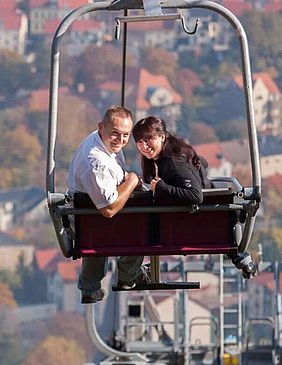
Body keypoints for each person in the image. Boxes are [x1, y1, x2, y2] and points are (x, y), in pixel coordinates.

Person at [130, 116, 257, 278]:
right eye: (139, 141)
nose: (144, 146)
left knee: (137, 223)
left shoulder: (172, 163)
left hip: (189, 225)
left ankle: (130, 272)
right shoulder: (174, 155)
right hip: (208, 222)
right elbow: (202, 163)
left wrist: (161, 187)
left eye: (148, 139)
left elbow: (195, 195)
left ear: (161, 137)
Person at [67, 106, 147, 303]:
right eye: (115, 134)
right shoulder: (96, 161)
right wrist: (133, 181)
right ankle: (129, 274)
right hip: (94, 222)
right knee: (146, 220)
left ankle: (90, 283)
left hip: (87, 219)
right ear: (101, 127)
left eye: (126, 135)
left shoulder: (101, 141)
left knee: (95, 226)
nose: (120, 141)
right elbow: (109, 209)